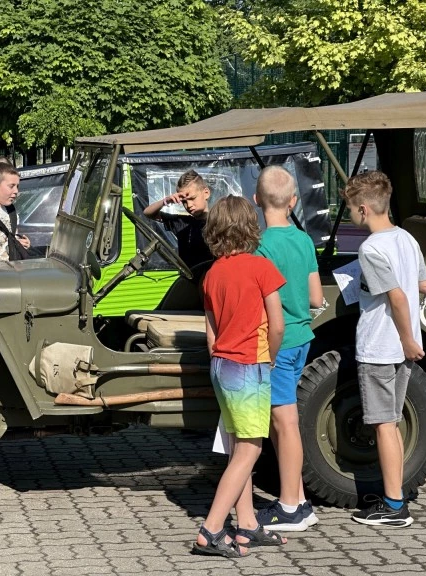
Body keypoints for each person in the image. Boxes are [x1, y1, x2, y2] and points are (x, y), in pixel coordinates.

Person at [193, 195, 286, 558]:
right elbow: (276, 326)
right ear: (251, 227)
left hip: (222, 367)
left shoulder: (211, 274)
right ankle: (212, 529)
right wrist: (271, 358)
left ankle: (246, 522)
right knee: (250, 449)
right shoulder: (262, 268)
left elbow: (211, 333)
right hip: (251, 364)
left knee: (237, 447)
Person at [342, 170, 426, 528]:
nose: (349, 214)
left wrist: (406, 336)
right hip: (402, 349)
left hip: (381, 347)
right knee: (391, 424)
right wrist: (411, 339)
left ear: (363, 209)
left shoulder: (371, 248)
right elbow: (423, 285)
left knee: (382, 425)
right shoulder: (406, 238)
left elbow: (395, 297)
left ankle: (394, 507)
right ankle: (395, 497)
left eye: (350, 208)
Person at [251, 166, 324, 531]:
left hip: (277, 344)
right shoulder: (304, 240)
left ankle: (291, 507)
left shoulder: (262, 248)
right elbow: (316, 297)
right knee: (282, 424)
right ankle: (299, 500)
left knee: (285, 422)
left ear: (256, 200)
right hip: (302, 339)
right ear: (293, 201)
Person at [143, 169, 213, 270]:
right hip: (189, 280)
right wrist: (166, 201)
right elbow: (148, 213)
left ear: (206, 193)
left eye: (192, 198)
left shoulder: (219, 221)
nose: (189, 205)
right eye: (184, 201)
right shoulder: (182, 223)